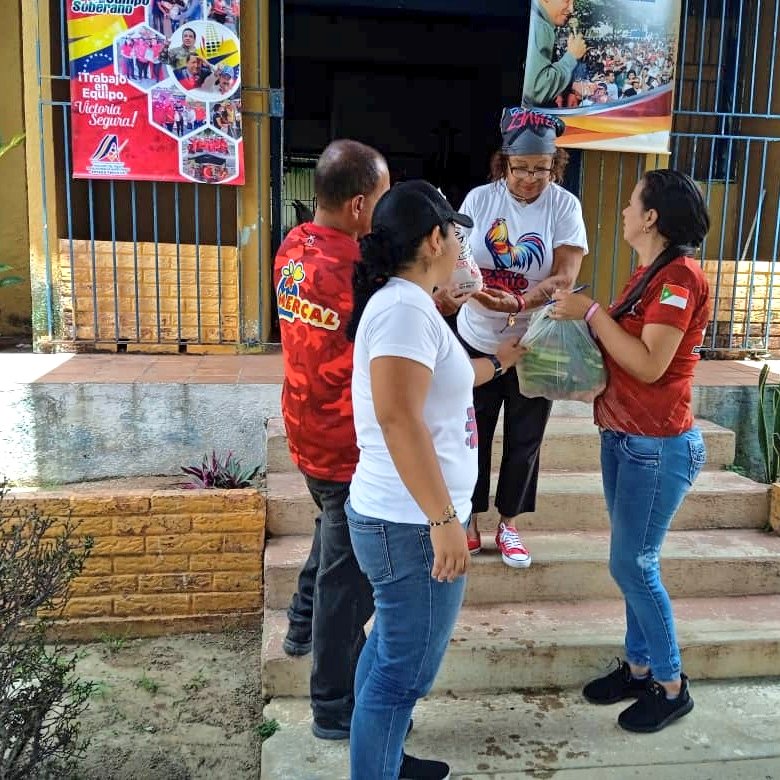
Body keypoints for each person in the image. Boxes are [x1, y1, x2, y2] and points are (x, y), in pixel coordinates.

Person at [346, 180, 526, 780]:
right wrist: (446, 520)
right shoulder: (401, 309)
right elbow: (399, 419)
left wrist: (504, 359)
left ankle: (386, 760)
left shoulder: (413, 303)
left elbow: (445, 383)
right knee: (405, 672)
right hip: (411, 523)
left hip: (406, 516)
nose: (460, 244)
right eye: (454, 232)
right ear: (433, 239)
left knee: (391, 650)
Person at [549, 169, 711, 733]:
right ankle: (639, 667)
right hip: (625, 436)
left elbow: (648, 363)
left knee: (632, 563)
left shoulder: (680, 280)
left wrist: (591, 313)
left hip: (658, 444)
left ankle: (671, 685)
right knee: (633, 564)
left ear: (652, 218)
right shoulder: (651, 273)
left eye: (631, 203)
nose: (621, 212)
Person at [273, 140, 390, 741]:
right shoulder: (355, 268)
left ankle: (299, 621)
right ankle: (332, 707)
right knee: (347, 581)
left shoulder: (293, 247)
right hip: (344, 441)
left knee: (331, 527)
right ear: (361, 203)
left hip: (305, 424)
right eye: (384, 196)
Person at [437, 107, 587, 569]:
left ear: (554, 166)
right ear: (504, 163)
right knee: (472, 432)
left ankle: (510, 523)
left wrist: (519, 304)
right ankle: (469, 518)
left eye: (541, 169)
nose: (529, 178)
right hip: (478, 336)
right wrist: (471, 295)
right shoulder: (480, 200)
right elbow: (456, 258)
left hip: (536, 340)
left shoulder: (564, 206)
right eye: (520, 168)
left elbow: (565, 275)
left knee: (526, 436)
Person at [523, 0, 588, 108]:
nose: (571, 9)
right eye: (566, 1)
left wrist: (569, 88)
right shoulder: (539, 25)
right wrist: (571, 57)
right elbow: (536, 90)